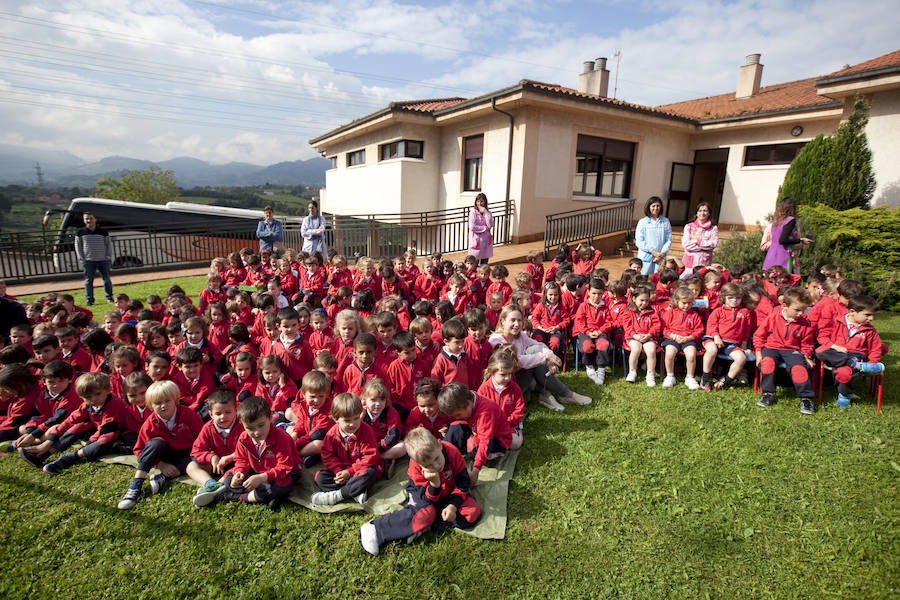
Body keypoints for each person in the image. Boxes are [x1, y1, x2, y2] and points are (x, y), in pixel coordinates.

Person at [359, 426, 481, 555]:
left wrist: (453, 506)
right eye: (428, 466)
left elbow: (463, 482)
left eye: (436, 459)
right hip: (424, 494)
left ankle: (425, 526)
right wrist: (434, 483)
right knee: (426, 513)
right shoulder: (416, 467)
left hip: (449, 492)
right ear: (418, 463)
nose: (435, 466)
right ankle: (376, 529)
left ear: (439, 445)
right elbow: (426, 498)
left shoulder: (452, 452)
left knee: (472, 512)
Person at [118, 380, 204, 510]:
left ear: (175, 399)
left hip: (186, 454)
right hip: (164, 454)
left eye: (167, 401)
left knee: (197, 457)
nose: (163, 406)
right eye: (158, 403)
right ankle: (135, 486)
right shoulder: (151, 422)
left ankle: (162, 477)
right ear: (151, 405)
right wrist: (160, 465)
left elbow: (202, 438)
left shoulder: (188, 414)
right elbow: (139, 449)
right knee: (155, 443)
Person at [488, 305, 592, 411]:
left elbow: (539, 346)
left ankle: (548, 394)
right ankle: (563, 394)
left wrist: (550, 358)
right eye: (513, 320)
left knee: (535, 353)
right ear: (503, 321)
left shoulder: (520, 336)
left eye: (519, 320)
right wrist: (544, 358)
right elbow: (517, 361)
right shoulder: (496, 340)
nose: (517, 324)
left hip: (519, 376)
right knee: (534, 361)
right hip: (506, 382)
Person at [753, 286, 816, 415]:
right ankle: (768, 393)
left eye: (803, 310)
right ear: (784, 306)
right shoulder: (773, 318)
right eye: (797, 310)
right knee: (768, 363)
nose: (800, 314)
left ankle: (806, 398)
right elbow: (759, 336)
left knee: (799, 369)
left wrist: (806, 356)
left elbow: (806, 343)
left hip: (792, 350)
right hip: (771, 347)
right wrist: (759, 354)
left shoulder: (805, 323)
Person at [762, 196, 812, 273]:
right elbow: (783, 240)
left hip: (771, 256)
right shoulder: (790, 220)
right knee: (786, 281)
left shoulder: (776, 222)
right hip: (784, 257)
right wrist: (800, 240)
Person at [75, 212, 114, 306]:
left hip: (103, 260)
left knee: (107, 279)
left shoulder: (103, 232)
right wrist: (82, 258)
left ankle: (109, 297)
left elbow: (108, 245)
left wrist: (108, 256)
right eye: (86, 219)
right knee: (89, 281)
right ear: (84, 220)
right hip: (88, 261)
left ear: (95, 219)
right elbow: (78, 245)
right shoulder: (80, 232)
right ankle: (90, 300)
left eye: (91, 218)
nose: (89, 220)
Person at [635, 196, 672, 276]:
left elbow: (668, 239)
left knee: (658, 279)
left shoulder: (665, 221)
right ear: (649, 207)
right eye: (653, 206)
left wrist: (661, 253)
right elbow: (639, 241)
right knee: (643, 279)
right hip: (646, 257)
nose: (656, 208)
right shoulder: (643, 222)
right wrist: (653, 252)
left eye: (658, 206)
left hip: (660, 258)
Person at [681, 202, 719, 274]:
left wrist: (697, 242)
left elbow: (713, 244)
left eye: (705, 211)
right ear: (697, 213)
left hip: (705, 261)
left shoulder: (713, 228)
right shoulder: (689, 226)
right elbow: (686, 245)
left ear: (709, 213)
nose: (702, 213)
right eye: (700, 211)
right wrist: (704, 246)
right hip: (689, 262)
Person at [468, 193, 494, 265]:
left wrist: (486, 213)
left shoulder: (488, 213)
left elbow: (490, 225)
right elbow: (472, 227)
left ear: (485, 202)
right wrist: (484, 228)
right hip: (476, 242)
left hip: (485, 242)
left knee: (484, 265)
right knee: (473, 264)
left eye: (482, 201)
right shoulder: (473, 212)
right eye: (478, 201)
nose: (480, 203)